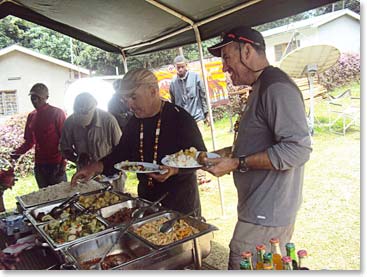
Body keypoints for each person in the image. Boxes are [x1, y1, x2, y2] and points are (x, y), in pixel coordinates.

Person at [204, 26, 312, 269]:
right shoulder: (262, 86)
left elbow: (298, 149)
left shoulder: (277, 88)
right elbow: (259, 141)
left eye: (226, 57)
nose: (223, 67)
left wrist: (238, 162)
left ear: (247, 51)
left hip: (267, 213)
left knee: (243, 262)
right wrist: (223, 155)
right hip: (259, 209)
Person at [71, 68, 206, 215]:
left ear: (153, 92)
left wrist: (174, 170)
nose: (129, 104)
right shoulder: (135, 122)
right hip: (147, 201)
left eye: (134, 98)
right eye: (126, 99)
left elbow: (200, 157)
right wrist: (95, 167)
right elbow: (120, 154)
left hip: (180, 202)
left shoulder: (179, 118)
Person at [59, 92, 125, 191]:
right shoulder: (70, 123)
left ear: (93, 110)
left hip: (111, 176)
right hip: (85, 176)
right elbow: (64, 148)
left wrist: (103, 165)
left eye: (86, 120)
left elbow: (121, 150)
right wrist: (77, 159)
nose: (83, 126)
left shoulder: (109, 121)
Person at [10, 83, 67, 189]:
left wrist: (63, 164)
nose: (35, 100)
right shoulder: (32, 116)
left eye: (38, 98)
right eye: (33, 97)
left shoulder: (57, 113)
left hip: (56, 164)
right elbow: (29, 142)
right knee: (44, 197)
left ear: (46, 98)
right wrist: (17, 153)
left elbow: (65, 140)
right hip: (40, 164)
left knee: (60, 197)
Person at [169, 55, 210, 185]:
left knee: (199, 148)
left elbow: (203, 96)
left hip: (197, 117)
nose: (180, 69)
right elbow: (173, 103)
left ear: (186, 66)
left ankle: (203, 174)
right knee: (186, 150)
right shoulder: (173, 83)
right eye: (178, 67)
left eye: (182, 67)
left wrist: (207, 113)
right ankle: (192, 175)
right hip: (182, 123)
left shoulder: (196, 77)